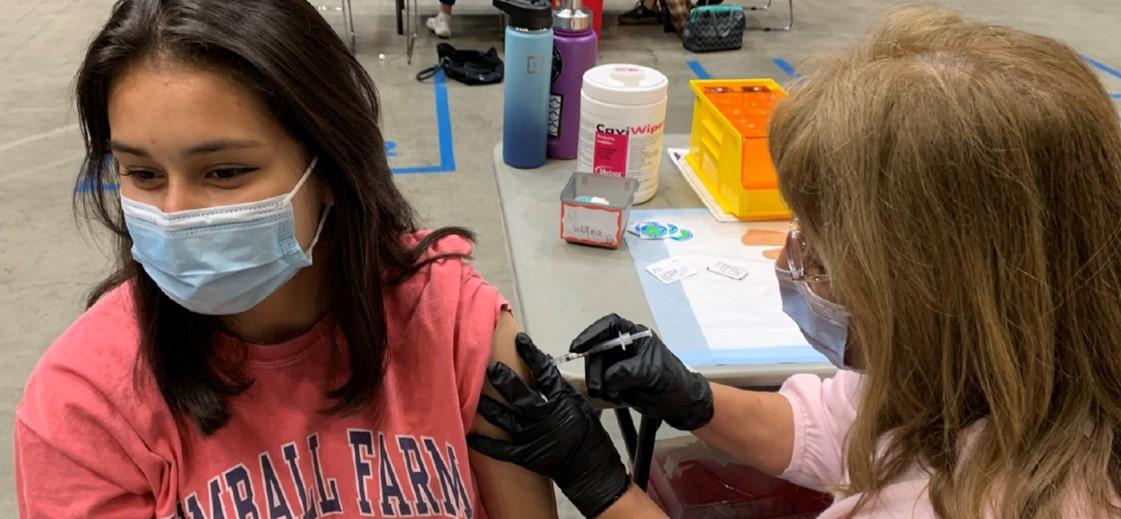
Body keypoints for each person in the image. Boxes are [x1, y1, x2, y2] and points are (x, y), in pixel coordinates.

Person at [468, 7, 1121, 519]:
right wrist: (692, 397)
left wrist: (602, 484)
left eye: (825, 254)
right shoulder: (1005, 377)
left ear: (929, 292)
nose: (793, 262)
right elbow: (849, 426)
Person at [13, 0, 559, 516]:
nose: (176, 212)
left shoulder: (452, 320)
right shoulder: (81, 408)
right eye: (143, 174)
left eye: (225, 172)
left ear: (329, 168)